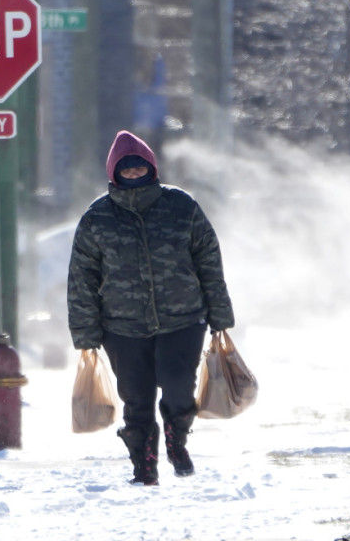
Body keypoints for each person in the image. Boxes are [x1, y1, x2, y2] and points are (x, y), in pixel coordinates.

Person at [67, 130, 235, 486]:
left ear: (151, 168)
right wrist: (85, 332)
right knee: (136, 399)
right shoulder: (97, 218)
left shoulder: (182, 207)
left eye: (138, 168)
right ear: (114, 172)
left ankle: (177, 439)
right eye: (125, 170)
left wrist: (219, 314)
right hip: (122, 326)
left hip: (183, 319)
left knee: (178, 386)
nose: (132, 175)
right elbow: (82, 277)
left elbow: (208, 261)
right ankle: (143, 466)